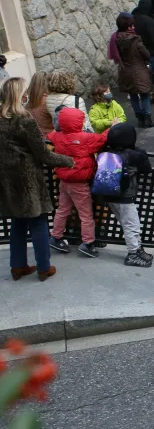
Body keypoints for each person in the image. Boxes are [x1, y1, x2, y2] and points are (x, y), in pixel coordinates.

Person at [0, 77, 74, 281]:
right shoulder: (24, 120)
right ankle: (43, 267)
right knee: (39, 222)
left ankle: (17, 267)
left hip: (7, 179)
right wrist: (68, 160)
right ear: (18, 95)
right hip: (27, 178)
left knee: (18, 223)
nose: (27, 94)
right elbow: (43, 154)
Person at [46, 106, 109, 259]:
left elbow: (49, 136)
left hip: (64, 181)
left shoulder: (57, 136)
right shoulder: (86, 138)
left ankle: (56, 237)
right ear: (80, 122)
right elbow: (102, 139)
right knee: (86, 214)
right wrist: (111, 127)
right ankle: (88, 243)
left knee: (62, 210)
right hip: (80, 183)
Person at [99, 122, 154, 267]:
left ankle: (138, 248)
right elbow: (147, 169)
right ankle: (133, 254)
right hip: (125, 195)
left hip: (109, 194)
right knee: (131, 225)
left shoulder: (105, 151)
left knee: (126, 223)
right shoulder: (133, 155)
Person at [114, 13, 154, 128]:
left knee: (133, 96)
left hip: (125, 72)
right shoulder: (136, 39)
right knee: (144, 95)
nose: (133, 27)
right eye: (132, 25)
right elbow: (146, 55)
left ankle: (140, 118)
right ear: (129, 27)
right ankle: (148, 118)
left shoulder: (116, 39)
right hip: (139, 71)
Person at [132, 0, 154, 103]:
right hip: (152, 52)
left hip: (138, 52)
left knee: (145, 74)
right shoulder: (148, 20)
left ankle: (150, 94)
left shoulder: (133, 18)